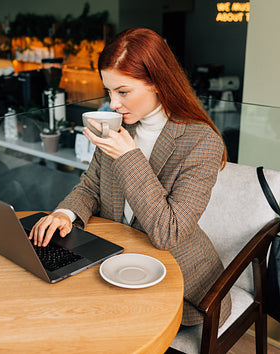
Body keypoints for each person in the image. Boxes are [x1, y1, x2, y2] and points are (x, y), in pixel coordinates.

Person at [30, 27, 231, 327]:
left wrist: (128, 156)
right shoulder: (119, 126)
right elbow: (90, 188)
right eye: (109, 91)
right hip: (116, 262)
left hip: (184, 286)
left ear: (158, 83)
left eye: (123, 92)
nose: (112, 104)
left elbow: (168, 232)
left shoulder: (201, 141)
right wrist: (65, 214)